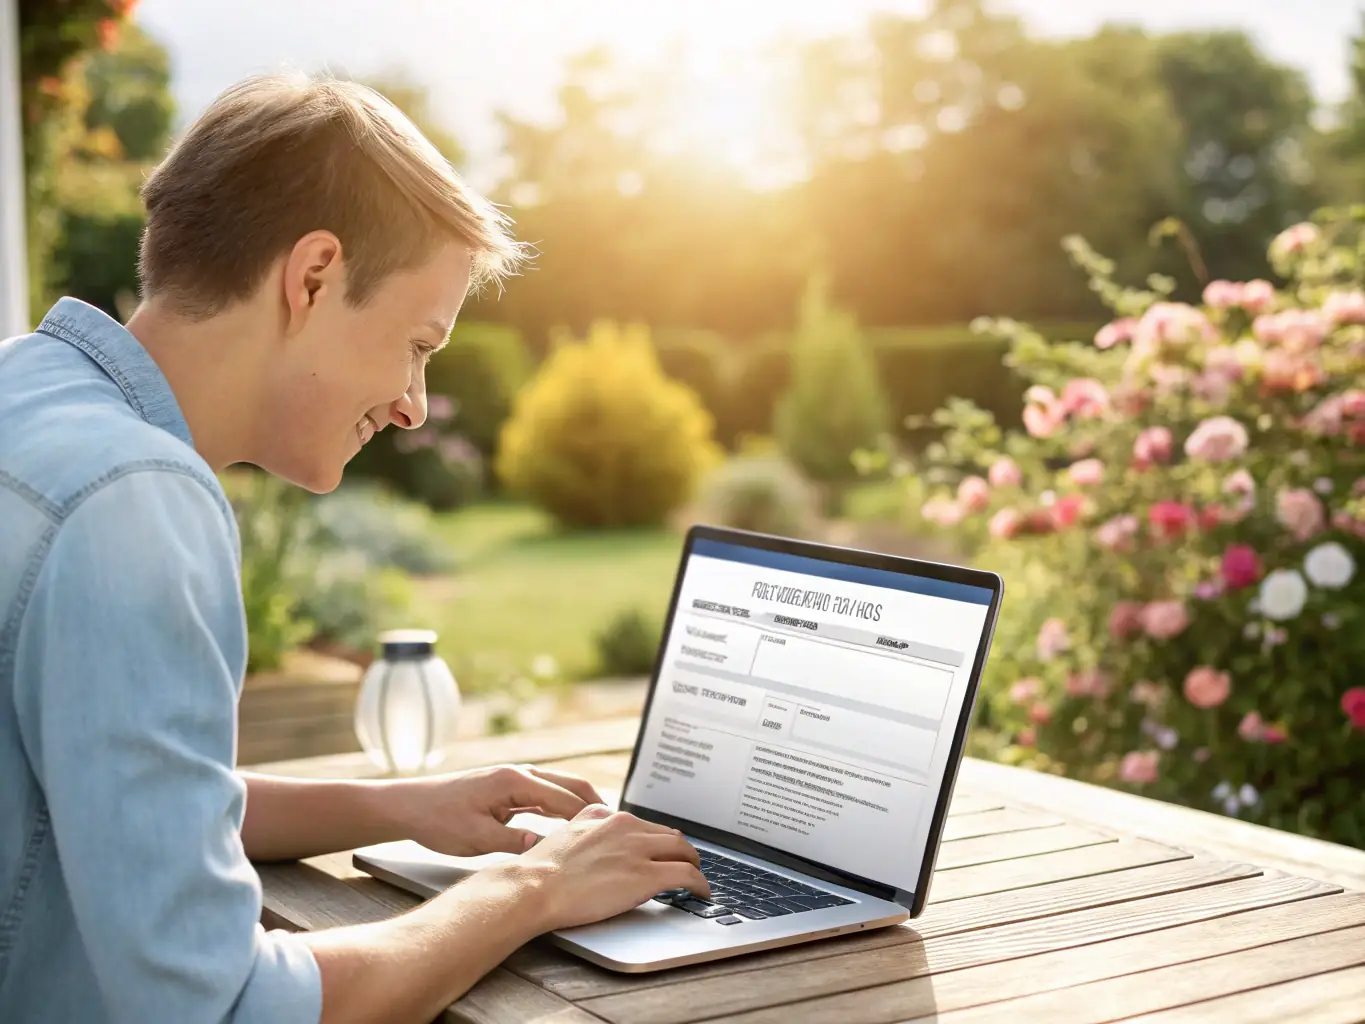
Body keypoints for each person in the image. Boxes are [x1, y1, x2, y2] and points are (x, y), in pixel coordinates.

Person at [0, 73, 708, 1024]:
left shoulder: (26, 390)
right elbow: (223, 1007)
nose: (414, 403)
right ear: (315, 276)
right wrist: (535, 890)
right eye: (419, 342)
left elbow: (108, 799)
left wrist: (398, 807)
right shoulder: (134, 500)